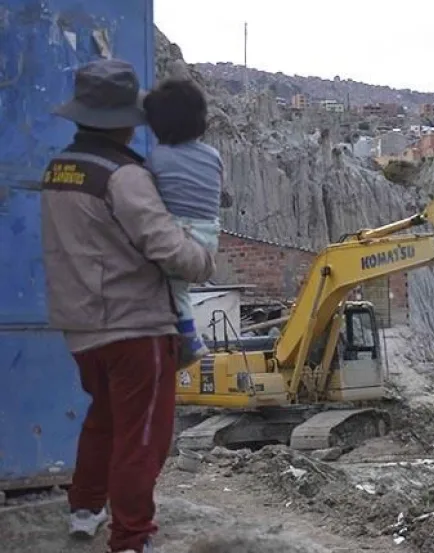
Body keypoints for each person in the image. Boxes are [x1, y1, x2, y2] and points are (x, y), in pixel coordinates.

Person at [41, 59, 215, 553]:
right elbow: (167, 247)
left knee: (104, 419)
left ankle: (85, 508)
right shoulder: (124, 176)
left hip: (81, 326)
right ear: (123, 121)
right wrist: (204, 259)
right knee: (142, 438)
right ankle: (133, 538)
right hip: (135, 328)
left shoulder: (60, 169)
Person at [143, 79, 224, 366]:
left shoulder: (156, 158)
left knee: (172, 288)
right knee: (181, 288)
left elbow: (147, 197)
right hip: (209, 235)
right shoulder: (214, 157)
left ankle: (190, 339)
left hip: (179, 233)